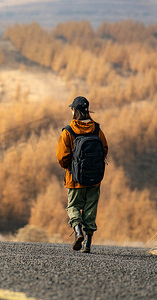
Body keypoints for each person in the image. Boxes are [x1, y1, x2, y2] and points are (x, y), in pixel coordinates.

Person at [56, 96, 108, 253]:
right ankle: (88, 242)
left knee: (73, 206)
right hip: (94, 179)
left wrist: (71, 168)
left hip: (75, 179)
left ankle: (78, 231)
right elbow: (104, 150)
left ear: (73, 110)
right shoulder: (97, 130)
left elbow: (61, 157)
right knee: (90, 208)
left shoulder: (68, 132)